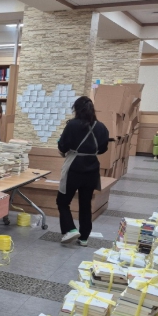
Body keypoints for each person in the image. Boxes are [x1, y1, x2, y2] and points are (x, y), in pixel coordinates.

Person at [56, 96, 109, 246]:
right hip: (92, 169)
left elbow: (62, 146)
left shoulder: (72, 125)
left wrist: (62, 145)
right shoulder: (101, 127)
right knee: (85, 204)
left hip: (74, 167)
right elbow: (103, 149)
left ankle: (70, 229)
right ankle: (84, 237)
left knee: (62, 201)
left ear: (77, 109)